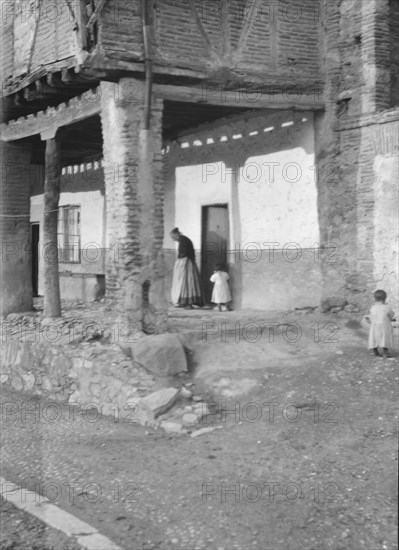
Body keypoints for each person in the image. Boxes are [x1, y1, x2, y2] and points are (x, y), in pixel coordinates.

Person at [170, 228, 204, 308]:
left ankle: (189, 303)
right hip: (187, 262)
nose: (173, 240)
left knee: (188, 282)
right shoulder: (183, 239)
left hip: (187, 263)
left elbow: (184, 253)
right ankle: (184, 302)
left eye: (173, 237)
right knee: (183, 282)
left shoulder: (183, 240)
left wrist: (180, 262)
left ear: (176, 234)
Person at [366, 289, 396, 358]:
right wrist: (391, 319)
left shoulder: (373, 308)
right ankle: (385, 351)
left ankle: (375, 351)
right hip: (384, 326)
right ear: (385, 298)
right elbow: (391, 315)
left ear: (374, 299)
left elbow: (371, 317)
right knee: (385, 337)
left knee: (374, 337)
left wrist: (368, 320)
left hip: (375, 326)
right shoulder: (387, 307)